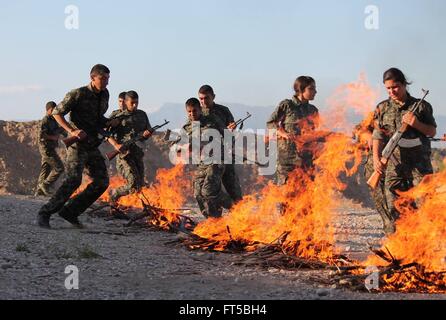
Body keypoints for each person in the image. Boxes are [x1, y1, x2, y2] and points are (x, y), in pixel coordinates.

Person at [36, 64, 117, 229]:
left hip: (92, 144)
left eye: (108, 78)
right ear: (92, 78)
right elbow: (57, 113)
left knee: (102, 182)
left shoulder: (105, 94)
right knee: (74, 179)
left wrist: (108, 122)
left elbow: (97, 117)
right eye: (103, 78)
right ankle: (45, 213)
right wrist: (72, 131)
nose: (106, 82)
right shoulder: (78, 93)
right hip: (77, 145)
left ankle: (70, 212)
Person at [372, 67, 437, 233]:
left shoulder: (421, 106)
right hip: (395, 166)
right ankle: (397, 249)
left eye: (395, 87)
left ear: (404, 85)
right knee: (394, 208)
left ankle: (422, 249)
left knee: (424, 207)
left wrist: (416, 124)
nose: (392, 91)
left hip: (419, 166)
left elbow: (431, 131)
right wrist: (376, 159)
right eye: (388, 88)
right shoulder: (382, 108)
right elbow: (377, 136)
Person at [267, 76, 319, 186]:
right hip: (287, 161)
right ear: (301, 89)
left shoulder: (313, 110)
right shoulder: (287, 106)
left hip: (306, 161)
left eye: (315, 88)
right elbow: (271, 124)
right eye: (311, 88)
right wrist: (283, 133)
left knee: (306, 198)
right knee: (286, 196)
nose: (315, 91)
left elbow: (314, 134)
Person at [181, 98, 229, 218]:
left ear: (200, 110)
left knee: (208, 191)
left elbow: (228, 135)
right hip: (202, 163)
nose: (192, 114)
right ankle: (213, 219)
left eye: (195, 111)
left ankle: (233, 205)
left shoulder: (212, 120)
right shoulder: (187, 126)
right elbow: (178, 144)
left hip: (217, 159)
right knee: (198, 193)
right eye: (189, 112)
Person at [198, 85, 243, 204]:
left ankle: (241, 215)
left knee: (234, 190)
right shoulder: (197, 113)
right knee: (209, 191)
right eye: (201, 99)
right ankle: (218, 218)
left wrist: (232, 128)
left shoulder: (223, 110)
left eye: (206, 98)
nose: (203, 101)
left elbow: (232, 132)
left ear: (213, 97)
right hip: (208, 160)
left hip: (226, 156)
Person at [108, 91, 153, 204]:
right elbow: (106, 134)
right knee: (133, 184)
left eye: (136, 103)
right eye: (132, 103)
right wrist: (116, 145)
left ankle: (128, 203)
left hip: (137, 154)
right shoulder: (117, 117)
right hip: (124, 155)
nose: (135, 105)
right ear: (126, 102)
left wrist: (147, 134)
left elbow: (147, 132)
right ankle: (115, 194)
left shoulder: (142, 114)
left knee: (140, 185)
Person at [354, 114, 392, 234]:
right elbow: (358, 130)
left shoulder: (408, 114)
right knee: (382, 204)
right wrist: (368, 137)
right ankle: (392, 235)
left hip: (398, 168)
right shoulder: (380, 112)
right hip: (376, 166)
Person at [35, 101, 65, 196]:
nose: (54, 111)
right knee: (59, 167)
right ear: (48, 110)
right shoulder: (45, 120)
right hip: (46, 148)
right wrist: (53, 138)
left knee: (46, 168)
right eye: (52, 110)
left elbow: (58, 130)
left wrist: (65, 131)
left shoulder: (54, 120)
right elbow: (41, 135)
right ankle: (45, 185)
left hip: (51, 147)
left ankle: (39, 191)